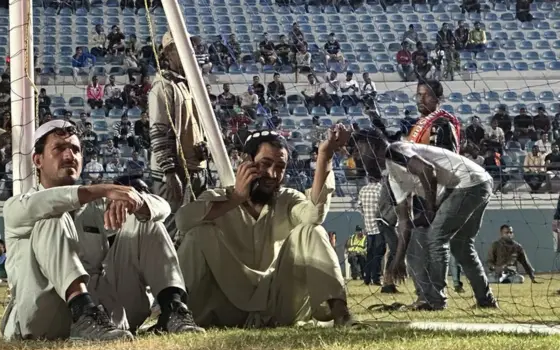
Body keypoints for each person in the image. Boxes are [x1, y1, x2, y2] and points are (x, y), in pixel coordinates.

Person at [0, 120, 203, 342]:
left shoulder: (94, 205)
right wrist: (104, 189)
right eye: (59, 149)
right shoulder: (16, 206)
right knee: (50, 218)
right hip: (43, 316)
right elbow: (46, 204)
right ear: (37, 160)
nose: (70, 156)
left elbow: (163, 209)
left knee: (146, 219)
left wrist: (135, 202)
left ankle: (173, 310)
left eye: (75, 150)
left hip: (105, 318)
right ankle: (82, 312)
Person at [176, 126, 356, 328]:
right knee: (199, 232)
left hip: (277, 304)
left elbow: (314, 215)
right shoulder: (217, 200)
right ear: (246, 161)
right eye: (265, 164)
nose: (272, 174)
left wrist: (325, 155)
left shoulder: (287, 200)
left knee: (311, 230)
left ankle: (342, 316)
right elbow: (183, 221)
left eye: (280, 167)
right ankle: (176, 315)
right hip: (224, 307)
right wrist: (236, 198)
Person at [354, 128, 497, 310]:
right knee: (461, 245)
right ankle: (485, 300)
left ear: (373, 145)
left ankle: (434, 300)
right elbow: (404, 223)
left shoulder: (395, 150)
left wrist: (430, 209)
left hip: (466, 182)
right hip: (477, 181)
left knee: (436, 238)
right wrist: (398, 260)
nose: (357, 156)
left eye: (359, 149)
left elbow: (427, 170)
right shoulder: (392, 180)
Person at [148, 31, 208, 245]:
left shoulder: (185, 84)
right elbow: (159, 130)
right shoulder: (163, 86)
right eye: (184, 48)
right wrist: (169, 172)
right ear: (169, 53)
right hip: (174, 173)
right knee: (172, 229)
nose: (191, 54)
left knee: (191, 231)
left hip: (193, 168)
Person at [407, 79, 461, 153]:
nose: (421, 99)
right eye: (419, 95)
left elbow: (445, 160)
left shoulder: (442, 124)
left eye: (427, 96)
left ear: (439, 99)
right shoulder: (414, 124)